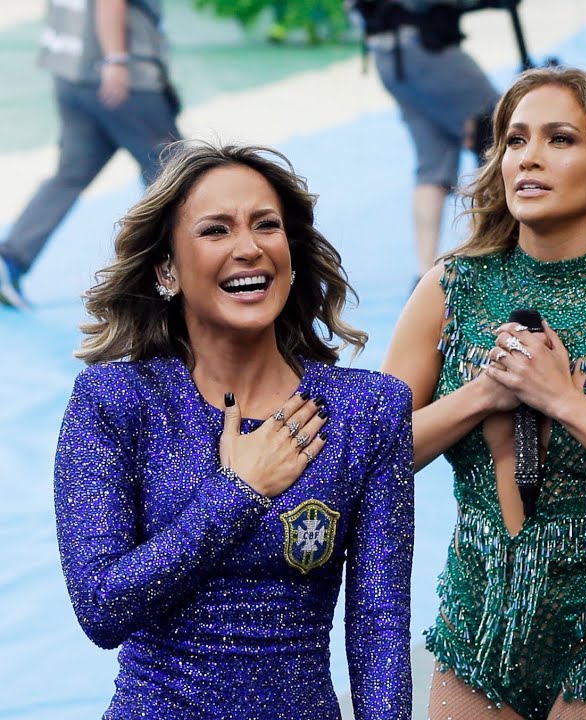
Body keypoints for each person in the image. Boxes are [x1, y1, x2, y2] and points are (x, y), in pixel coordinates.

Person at [380, 66, 586, 719]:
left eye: (559, 139)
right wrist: (485, 394)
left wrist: (563, 401)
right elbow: (375, 455)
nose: (528, 157)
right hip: (474, 629)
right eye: (515, 140)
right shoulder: (450, 290)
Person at [53, 142, 414, 719]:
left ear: (290, 256)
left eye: (265, 226)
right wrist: (239, 491)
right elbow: (101, 608)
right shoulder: (117, 401)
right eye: (216, 231)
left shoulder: (367, 409)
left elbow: (379, 629)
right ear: (166, 269)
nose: (249, 248)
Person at [0, 0, 182, 309]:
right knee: (176, 176)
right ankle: (178, 277)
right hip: (121, 77)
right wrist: (116, 60)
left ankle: (10, 259)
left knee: (72, 173)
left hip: (72, 72)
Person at [359, 0, 501, 279]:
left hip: (388, 56)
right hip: (424, 50)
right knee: (497, 130)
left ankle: (426, 274)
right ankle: (489, 252)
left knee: (433, 164)